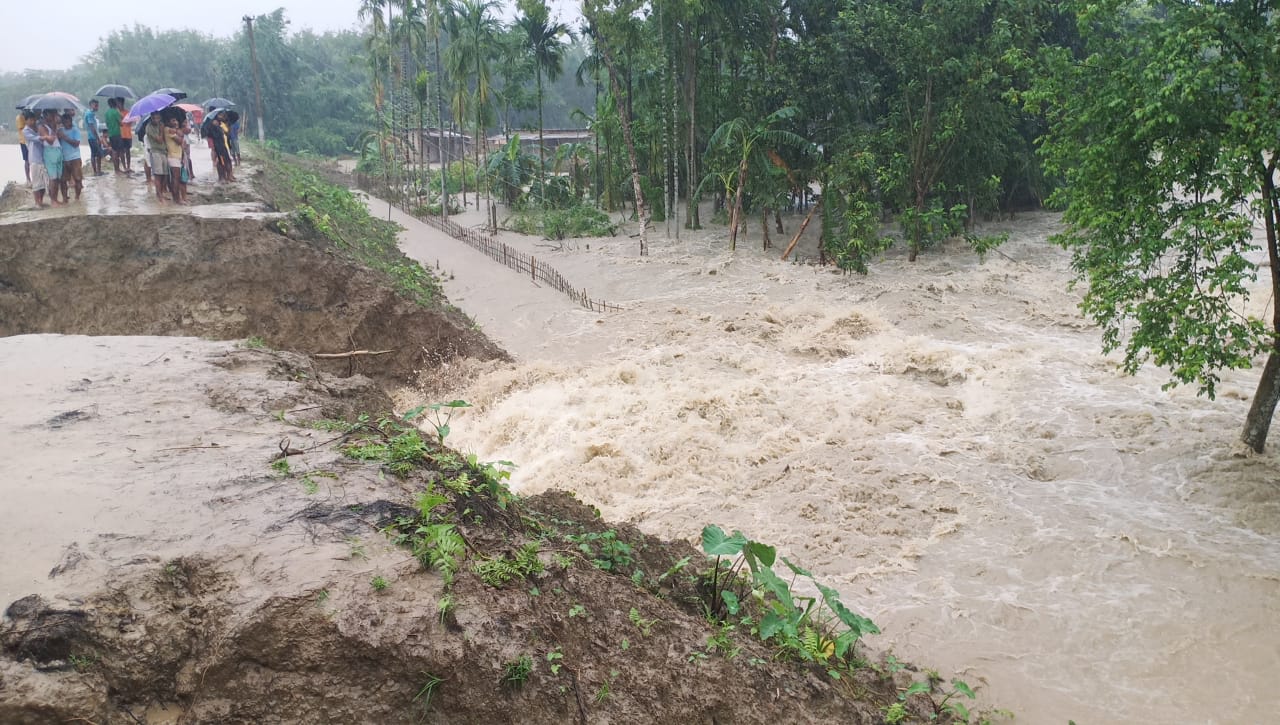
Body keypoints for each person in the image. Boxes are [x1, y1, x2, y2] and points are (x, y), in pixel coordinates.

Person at [38, 110, 65, 205]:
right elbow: (50, 140)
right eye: (52, 114)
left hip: (57, 150)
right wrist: (54, 129)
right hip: (50, 151)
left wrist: (55, 127)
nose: (54, 116)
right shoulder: (42, 127)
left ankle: (56, 199)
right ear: (45, 115)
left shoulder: (53, 126)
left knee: (58, 177)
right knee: (53, 178)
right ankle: (53, 200)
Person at [21, 112, 47, 207]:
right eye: (30, 120)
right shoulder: (25, 131)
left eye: (33, 119)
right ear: (26, 121)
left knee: (44, 183)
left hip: (43, 156)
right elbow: (35, 139)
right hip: (34, 158)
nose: (32, 121)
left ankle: (41, 200)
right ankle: (37, 202)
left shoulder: (38, 127)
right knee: (36, 183)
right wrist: (44, 137)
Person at [57, 112, 83, 200]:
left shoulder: (75, 130)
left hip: (75, 158)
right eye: (64, 122)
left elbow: (76, 143)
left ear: (71, 121)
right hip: (64, 158)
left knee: (78, 179)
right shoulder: (60, 130)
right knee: (63, 180)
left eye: (67, 121)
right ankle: (64, 198)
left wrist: (64, 137)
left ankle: (77, 197)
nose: (66, 123)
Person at [144, 112, 168, 202]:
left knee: (164, 175)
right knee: (158, 175)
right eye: (155, 118)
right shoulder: (149, 128)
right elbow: (159, 140)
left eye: (158, 118)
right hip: (155, 152)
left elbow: (165, 139)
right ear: (151, 118)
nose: (157, 120)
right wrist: (161, 130)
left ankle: (161, 193)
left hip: (163, 151)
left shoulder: (161, 124)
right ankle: (159, 195)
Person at [165, 117, 186, 204]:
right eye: (173, 120)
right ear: (168, 122)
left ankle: (176, 198)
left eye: (176, 120)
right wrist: (178, 131)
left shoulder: (170, 130)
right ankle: (177, 199)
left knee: (175, 178)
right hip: (173, 156)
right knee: (175, 179)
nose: (176, 122)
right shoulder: (169, 130)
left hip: (176, 156)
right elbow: (180, 141)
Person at [83, 99, 104, 176]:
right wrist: (97, 138)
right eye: (96, 105)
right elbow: (92, 127)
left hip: (91, 137)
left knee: (93, 154)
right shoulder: (90, 114)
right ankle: (97, 171)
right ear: (91, 105)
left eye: (97, 105)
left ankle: (97, 171)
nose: (97, 107)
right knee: (98, 154)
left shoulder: (90, 113)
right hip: (93, 137)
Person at [104, 98, 123, 174]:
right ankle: (117, 169)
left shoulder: (107, 113)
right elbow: (121, 123)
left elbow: (107, 123)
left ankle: (116, 169)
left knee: (114, 151)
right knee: (117, 152)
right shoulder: (115, 112)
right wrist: (118, 112)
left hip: (110, 134)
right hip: (117, 133)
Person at [116, 98, 133, 172]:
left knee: (128, 151)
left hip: (127, 134)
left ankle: (128, 166)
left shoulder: (127, 112)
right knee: (121, 152)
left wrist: (126, 119)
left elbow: (130, 123)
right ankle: (124, 167)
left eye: (119, 103)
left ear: (122, 103)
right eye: (117, 103)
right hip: (120, 135)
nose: (117, 105)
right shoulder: (116, 113)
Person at [16, 109, 29, 183]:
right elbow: (22, 128)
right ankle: (28, 179)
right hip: (24, 141)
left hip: (30, 141)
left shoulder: (29, 116)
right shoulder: (20, 117)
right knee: (27, 160)